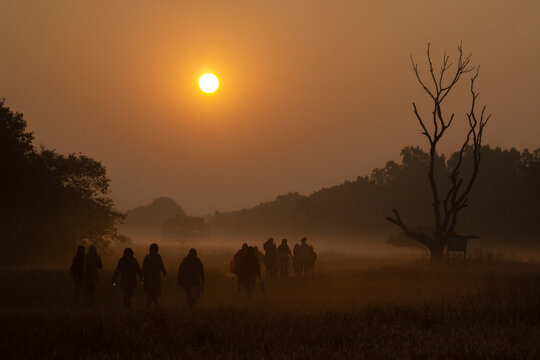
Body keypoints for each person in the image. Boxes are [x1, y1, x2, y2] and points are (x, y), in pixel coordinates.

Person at [142, 243, 167, 307]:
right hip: (149, 278)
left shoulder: (157, 257)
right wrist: (142, 276)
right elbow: (144, 267)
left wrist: (164, 272)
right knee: (151, 292)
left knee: (152, 292)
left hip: (155, 278)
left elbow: (161, 265)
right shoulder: (148, 257)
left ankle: (151, 305)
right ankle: (155, 305)